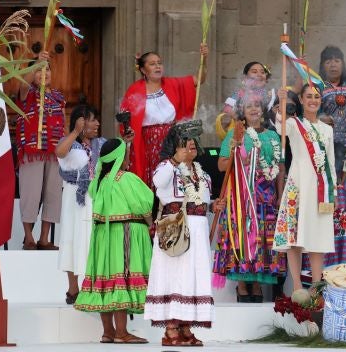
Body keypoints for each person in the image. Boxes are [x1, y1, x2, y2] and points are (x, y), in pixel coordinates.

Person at [144, 120, 220, 346]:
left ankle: (186, 326)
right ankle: (171, 329)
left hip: (197, 231)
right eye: (185, 142)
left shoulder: (202, 173)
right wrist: (176, 160)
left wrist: (213, 206)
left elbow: (201, 202)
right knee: (174, 275)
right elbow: (158, 183)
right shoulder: (166, 167)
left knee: (192, 277)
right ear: (175, 147)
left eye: (193, 142)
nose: (191, 146)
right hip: (175, 230)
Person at [74, 138, 153, 344]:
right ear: (119, 158)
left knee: (106, 278)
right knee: (122, 278)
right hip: (123, 233)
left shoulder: (98, 182)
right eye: (126, 154)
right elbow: (144, 204)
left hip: (103, 237)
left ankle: (108, 332)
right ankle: (122, 333)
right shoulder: (127, 179)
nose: (128, 157)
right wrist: (151, 222)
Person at [213, 93, 286, 303]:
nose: (254, 109)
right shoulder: (236, 134)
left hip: (266, 197)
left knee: (261, 239)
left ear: (263, 110)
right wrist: (242, 158)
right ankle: (242, 285)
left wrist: (280, 196)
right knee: (242, 237)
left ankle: (256, 284)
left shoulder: (273, 136)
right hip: (241, 197)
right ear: (242, 113)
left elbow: (280, 168)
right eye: (249, 107)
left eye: (257, 105)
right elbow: (221, 165)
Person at [273, 84, 336, 291]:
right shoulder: (294, 123)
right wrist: (282, 102)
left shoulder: (327, 129)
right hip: (298, 185)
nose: (313, 100)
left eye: (316, 96)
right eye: (308, 96)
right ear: (300, 100)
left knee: (317, 234)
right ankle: (298, 286)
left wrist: (332, 191)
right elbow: (281, 128)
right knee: (294, 236)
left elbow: (332, 163)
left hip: (320, 188)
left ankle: (317, 286)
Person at [120, 44, 208, 187]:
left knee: (174, 179)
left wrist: (204, 59)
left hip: (172, 140)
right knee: (152, 181)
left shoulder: (172, 84)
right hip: (148, 143)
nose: (157, 66)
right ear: (143, 69)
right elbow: (126, 122)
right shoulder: (134, 90)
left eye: (159, 63)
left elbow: (199, 79)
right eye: (152, 64)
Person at [55, 104, 107, 304]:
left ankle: (91, 286)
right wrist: (75, 131)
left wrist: (126, 143)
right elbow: (59, 152)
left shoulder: (101, 143)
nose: (97, 123)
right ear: (81, 121)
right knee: (71, 238)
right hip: (74, 197)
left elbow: (121, 163)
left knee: (89, 240)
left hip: (94, 197)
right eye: (92, 119)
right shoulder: (69, 143)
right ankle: (73, 289)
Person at [16, 51, 64, 250]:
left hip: (54, 153)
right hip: (32, 152)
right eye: (39, 71)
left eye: (47, 70)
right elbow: (24, 82)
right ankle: (29, 237)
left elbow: (63, 124)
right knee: (31, 194)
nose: (43, 73)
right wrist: (37, 62)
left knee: (52, 194)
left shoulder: (59, 97)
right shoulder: (26, 94)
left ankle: (44, 238)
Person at [318, 46, 346, 174]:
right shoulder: (318, 87)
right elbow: (311, 114)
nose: (333, 65)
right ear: (322, 66)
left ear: (343, 64)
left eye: (337, 61)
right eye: (328, 62)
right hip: (329, 147)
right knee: (334, 183)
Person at [216, 61, 274, 140]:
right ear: (245, 78)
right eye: (254, 72)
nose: (259, 75)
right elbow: (227, 112)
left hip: (268, 139)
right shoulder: (238, 95)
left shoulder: (273, 96)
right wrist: (238, 119)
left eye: (262, 72)